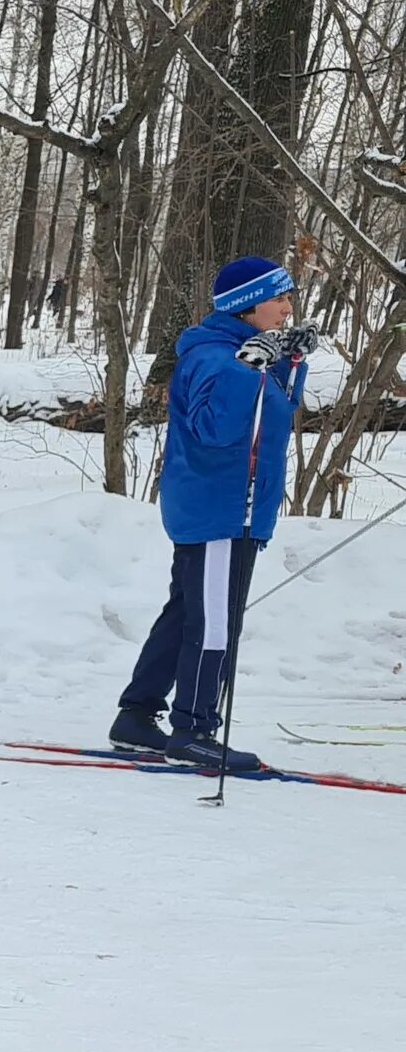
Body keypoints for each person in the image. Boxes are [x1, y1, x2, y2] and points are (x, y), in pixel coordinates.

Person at [111, 256, 313, 773]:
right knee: (216, 622)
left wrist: (289, 363)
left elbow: (276, 419)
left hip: (236, 507)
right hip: (220, 509)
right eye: (278, 299)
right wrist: (248, 368)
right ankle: (194, 729)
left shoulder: (242, 355)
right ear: (246, 306)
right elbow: (215, 429)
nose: (288, 308)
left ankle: (136, 717)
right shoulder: (214, 358)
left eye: (288, 297)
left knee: (187, 612)